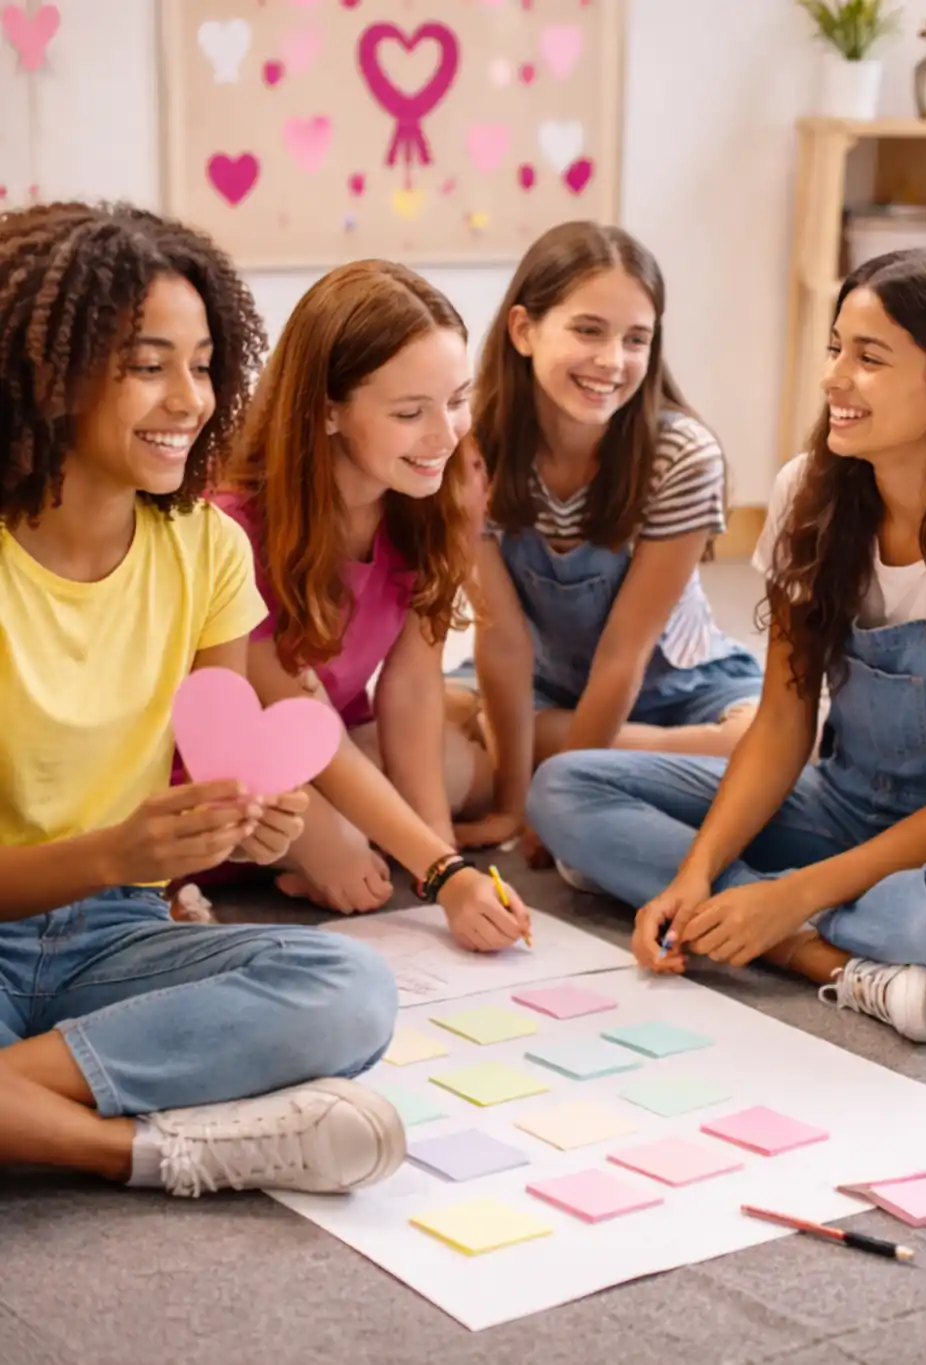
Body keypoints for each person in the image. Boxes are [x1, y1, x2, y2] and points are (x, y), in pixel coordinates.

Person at [0, 203, 403, 1197]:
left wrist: (254, 824)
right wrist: (114, 853)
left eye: (205, 361)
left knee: (348, 990)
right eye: (147, 364)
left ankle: (17, 1100)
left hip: (116, 931)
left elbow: (226, 766)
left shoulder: (208, 548)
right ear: (50, 375)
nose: (191, 398)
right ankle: (152, 1150)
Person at [525, 248, 926, 1044]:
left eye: (869, 357)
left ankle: (773, 919)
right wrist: (694, 871)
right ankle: (820, 958)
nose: (834, 378)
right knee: (565, 788)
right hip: (839, 800)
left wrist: (786, 895)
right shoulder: (806, 491)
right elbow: (786, 721)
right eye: (835, 347)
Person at [217, 260, 532, 949]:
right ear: (325, 410)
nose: (446, 434)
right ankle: (293, 856)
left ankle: (329, 843)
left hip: (342, 728)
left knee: (462, 777)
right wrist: (442, 873)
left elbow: (414, 685)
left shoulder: (439, 490)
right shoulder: (234, 528)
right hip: (243, 756)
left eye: (456, 399)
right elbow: (298, 723)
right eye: (409, 412)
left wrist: (440, 863)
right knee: (348, 841)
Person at [453, 223, 763, 855]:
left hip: (682, 688)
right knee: (409, 725)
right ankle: (602, 764)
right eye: (588, 330)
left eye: (636, 339)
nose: (612, 361)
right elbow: (503, 639)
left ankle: (557, 752)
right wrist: (515, 809)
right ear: (523, 330)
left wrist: (564, 791)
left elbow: (626, 651)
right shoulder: (471, 450)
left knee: (771, 740)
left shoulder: (681, 456)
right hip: (539, 683)